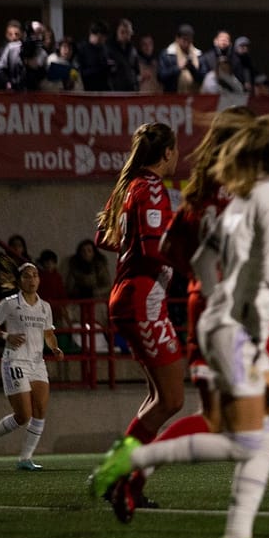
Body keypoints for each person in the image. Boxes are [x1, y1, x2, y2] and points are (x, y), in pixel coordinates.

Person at [90, 115, 269, 538]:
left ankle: (265, 516)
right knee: (260, 413)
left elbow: (168, 248)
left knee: (220, 415)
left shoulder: (197, 192)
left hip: (209, 309)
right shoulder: (241, 188)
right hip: (243, 310)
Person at [94, 122, 185, 462]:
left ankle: (125, 473)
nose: (178, 156)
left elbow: (104, 238)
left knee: (160, 396)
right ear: (167, 152)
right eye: (176, 150)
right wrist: (193, 256)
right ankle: (116, 470)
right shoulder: (153, 189)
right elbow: (151, 250)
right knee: (172, 399)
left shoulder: (129, 185)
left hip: (133, 296)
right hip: (143, 299)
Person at [0, 262, 64, 471]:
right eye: (27, 276)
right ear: (19, 281)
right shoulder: (9, 304)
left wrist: (55, 348)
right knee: (23, 415)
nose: (32, 279)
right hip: (15, 361)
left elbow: (48, 333)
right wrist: (7, 335)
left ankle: (25, 459)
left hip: (37, 363)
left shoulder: (44, 306)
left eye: (35, 275)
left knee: (40, 410)